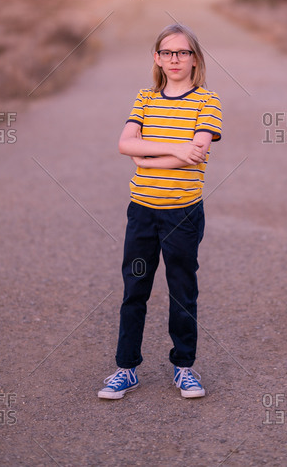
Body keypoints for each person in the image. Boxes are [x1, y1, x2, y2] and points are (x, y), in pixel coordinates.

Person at [98, 23, 222, 400]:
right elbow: (123, 144)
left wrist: (146, 156)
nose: (175, 59)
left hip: (182, 213)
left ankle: (184, 367)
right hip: (143, 213)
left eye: (183, 52)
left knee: (183, 289)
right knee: (135, 288)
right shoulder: (145, 98)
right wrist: (176, 150)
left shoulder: (208, 101)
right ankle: (126, 369)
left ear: (195, 59)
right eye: (167, 52)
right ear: (156, 57)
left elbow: (196, 152)